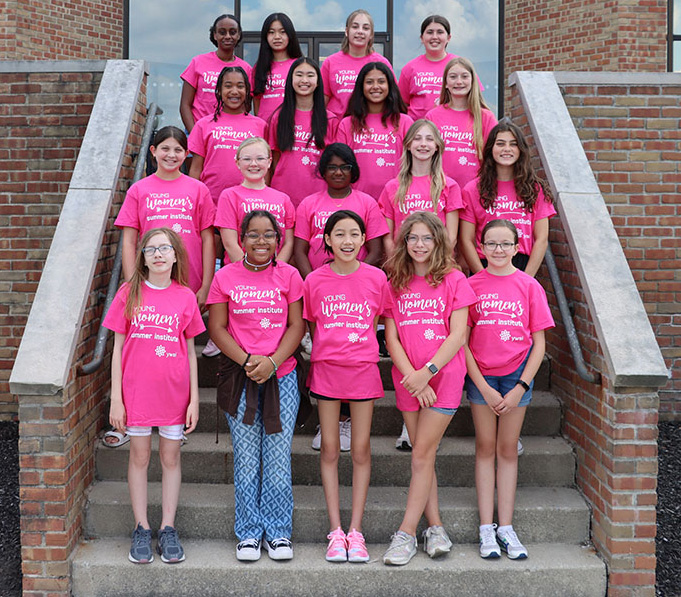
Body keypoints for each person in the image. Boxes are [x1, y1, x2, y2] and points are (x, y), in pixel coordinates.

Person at [207, 210, 305, 562]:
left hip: (283, 375)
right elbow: (217, 328)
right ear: (241, 239)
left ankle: (278, 532)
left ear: (279, 239)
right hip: (240, 376)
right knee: (247, 458)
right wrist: (248, 361)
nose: (261, 241)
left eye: (268, 234)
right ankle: (248, 532)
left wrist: (273, 361)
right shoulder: (225, 277)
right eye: (253, 234)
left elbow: (297, 326)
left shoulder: (291, 276)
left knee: (278, 457)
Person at [381, 212, 477, 566]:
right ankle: (435, 527)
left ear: (438, 242)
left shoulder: (453, 278)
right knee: (426, 455)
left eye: (427, 238)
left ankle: (405, 534)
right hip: (409, 380)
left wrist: (429, 372)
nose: (419, 245)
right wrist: (413, 376)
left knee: (421, 454)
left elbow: (458, 334)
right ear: (404, 243)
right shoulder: (395, 282)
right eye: (412, 238)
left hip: (443, 378)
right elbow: (390, 336)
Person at [105, 228, 204, 564]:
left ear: (176, 255)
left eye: (165, 248)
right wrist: (116, 398)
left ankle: (168, 527)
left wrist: (194, 399)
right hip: (136, 392)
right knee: (139, 456)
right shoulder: (127, 293)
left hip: (174, 393)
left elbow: (190, 352)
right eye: (151, 249)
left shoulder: (185, 296)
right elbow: (117, 349)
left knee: (171, 458)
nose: (158, 254)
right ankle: (141, 527)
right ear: (143, 257)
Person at [303, 210, 391, 563]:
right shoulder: (315, 281)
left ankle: (356, 531)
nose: (348, 241)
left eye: (355, 234)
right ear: (327, 239)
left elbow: (383, 321)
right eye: (339, 234)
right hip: (326, 372)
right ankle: (335, 531)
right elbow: (311, 328)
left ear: (363, 239)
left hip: (363, 370)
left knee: (361, 451)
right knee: (328, 449)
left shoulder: (376, 278)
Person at [464, 219, 555, 560]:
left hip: (517, 375)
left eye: (505, 244)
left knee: (506, 450)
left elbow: (539, 344)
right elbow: (463, 342)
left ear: (518, 248)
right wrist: (483, 388)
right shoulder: (470, 285)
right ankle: (486, 528)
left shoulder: (529, 286)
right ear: (481, 248)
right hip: (482, 378)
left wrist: (521, 386)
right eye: (492, 244)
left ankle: (506, 526)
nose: (499, 250)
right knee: (485, 448)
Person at [116, 126, 216, 311]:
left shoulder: (199, 189)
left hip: (190, 278)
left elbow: (208, 239)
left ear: (186, 154)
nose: (171, 155)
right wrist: (132, 284)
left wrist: (206, 284)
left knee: (186, 336)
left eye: (178, 150)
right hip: (150, 277)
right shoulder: (138, 190)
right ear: (153, 151)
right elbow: (129, 241)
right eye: (165, 148)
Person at [459, 119, 557, 277]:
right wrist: (482, 277)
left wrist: (526, 279)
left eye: (513, 144)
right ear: (491, 148)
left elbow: (541, 239)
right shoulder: (472, 189)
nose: (507, 149)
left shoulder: (535, 189)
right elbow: (466, 239)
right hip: (484, 266)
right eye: (500, 143)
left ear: (521, 150)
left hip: (522, 266)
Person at [294, 143, 388, 277]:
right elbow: (299, 252)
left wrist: (356, 277)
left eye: (345, 167)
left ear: (353, 170)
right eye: (332, 167)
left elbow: (376, 251)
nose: (338, 172)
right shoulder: (307, 204)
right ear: (324, 171)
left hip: (358, 281)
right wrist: (313, 281)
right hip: (318, 282)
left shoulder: (368, 203)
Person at [378, 119, 462, 258]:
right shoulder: (392, 187)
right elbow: (388, 238)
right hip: (403, 263)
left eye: (429, 139)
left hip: (437, 263)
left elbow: (451, 237)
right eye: (417, 138)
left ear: (436, 146)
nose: (423, 144)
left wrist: (437, 262)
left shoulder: (449, 186)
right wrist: (398, 265)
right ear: (408, 145)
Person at [188, 66, 267, 205]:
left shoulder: (260, 126)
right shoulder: (203, 125)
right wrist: (194, 200)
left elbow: (267, 167)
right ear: (219, 90)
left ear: (248, 91)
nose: (234, 91)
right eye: (228, 86)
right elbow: (196, 169)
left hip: (251, 205)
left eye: (240, 86)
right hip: (211, 203)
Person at [336, 62, 412, 200]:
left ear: (390, 86)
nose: (375, 87)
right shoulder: (347, 124)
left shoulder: (405, 122)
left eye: (381, 82)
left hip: (397, 199)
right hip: (356, 201)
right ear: (361, 87)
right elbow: (340, 166)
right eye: (369, 82)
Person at [215, 137, 295, 266]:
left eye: (260, 158)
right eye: (247, 159)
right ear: (237, 163)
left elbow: (288, 243)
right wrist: (250, 270)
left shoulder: (283, 199)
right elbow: (230, 243)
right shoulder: (229, 196)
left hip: (274, 275)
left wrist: (275, 269)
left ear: (269, 162)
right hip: (240, 273)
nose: (253, 164)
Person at [267, 57, 335, 207]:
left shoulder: (330, 119)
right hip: (283, 196)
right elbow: (274, 160)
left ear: (318, 82)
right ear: (290, 79)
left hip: (319, 198)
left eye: (310, 75)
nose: (304, 80)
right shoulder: (278, 117)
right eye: (299, 75)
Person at [425, 57, 497, 190]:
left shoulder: (486, 117)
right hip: (440, 190)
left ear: (472, 81)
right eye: (453, 77)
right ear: (446, 83)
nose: (459, 82)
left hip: (476, 191)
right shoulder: (433, 116)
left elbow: (493, 157)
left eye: (464, 76)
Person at [180, 14, 252, 133]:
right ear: (215, 35)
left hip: (229, 134)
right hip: (198, 131)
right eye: (222, 32)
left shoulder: (246, 69)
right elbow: (185, 105)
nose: (228, 36)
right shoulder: (198, 62)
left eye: (233, 32)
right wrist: (194, 134)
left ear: (239, 35)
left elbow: (246, 106)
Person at [321, 9, 393, 119]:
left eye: (365, 28)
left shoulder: (381, 63)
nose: (360, 31)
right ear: (346, 31)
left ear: (371, 34)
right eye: (355, 27)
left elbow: (392, 99)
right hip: (336, 126)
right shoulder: (330, 62)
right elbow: (321, 101)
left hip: (370, 128)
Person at [250, 13, 303, 124]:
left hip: (293, 127)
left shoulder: (299, 65)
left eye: (282, 32)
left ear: (290, 35)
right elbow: (257, 101)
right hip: (266, 128)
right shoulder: (258, 68)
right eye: (271, 32)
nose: (277, 37)